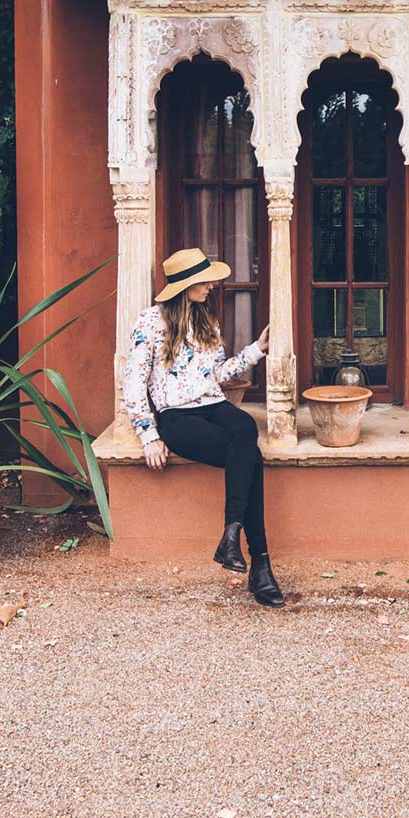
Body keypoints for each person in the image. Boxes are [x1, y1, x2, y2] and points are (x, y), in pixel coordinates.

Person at [121, 247, 283, 607]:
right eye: (205, 280)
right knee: (250, 459)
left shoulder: (207, 320)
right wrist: (148, 435)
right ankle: (260, 563)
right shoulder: (149, 323)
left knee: (244, 428)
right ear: (186, 285)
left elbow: (218, 375)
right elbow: (134, 383)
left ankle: (231, 536)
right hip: (177, 416)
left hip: (213, 405)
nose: (211, 286)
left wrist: (257, 349)